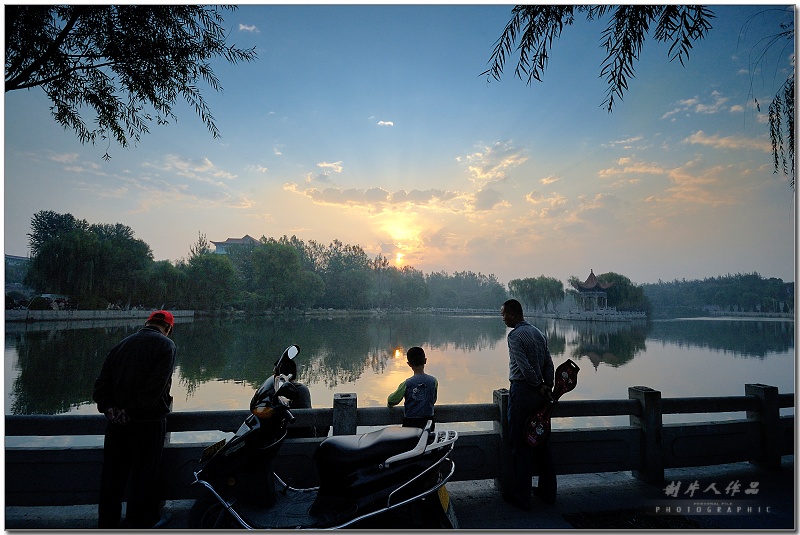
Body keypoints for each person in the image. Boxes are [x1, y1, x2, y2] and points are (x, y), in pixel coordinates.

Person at [92, 310, 177, 529]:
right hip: (149, 424)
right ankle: (139, 524)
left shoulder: (120, 345)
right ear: (168, 328)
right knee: (144, 477)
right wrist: (131, 411)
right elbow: (155, 389)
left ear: (147, 322)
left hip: (116, 425)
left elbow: (101, 387)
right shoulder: (166, 346)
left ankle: (107, 524)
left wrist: (111, 409)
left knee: (112, 478)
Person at [500, 298, 556, 511]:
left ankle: (522, 496)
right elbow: (549, 362)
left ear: (513, 314)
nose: (503, 318)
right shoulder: (538, 333)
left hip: (523, 392)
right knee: (542, 442)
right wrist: (547, 385)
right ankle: (548, 492)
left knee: (521, 443)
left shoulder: (514, 336)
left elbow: (523, 367)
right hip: (542, 396)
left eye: (504, 314)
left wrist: (537, 384)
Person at [276, 357, 329, 438]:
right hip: (307, 435)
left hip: (283, 437)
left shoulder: (273, 391)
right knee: (325, 421)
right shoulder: (303, 389)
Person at [387, 346, 438, 430]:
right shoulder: (433, 381)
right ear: (425, 360)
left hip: (410, 423)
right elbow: (433, 399)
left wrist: (389, 403)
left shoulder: (407, 383)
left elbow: (393, 400)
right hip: (428, 422)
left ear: (409, 364)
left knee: (410, 443)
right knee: (427, 442)